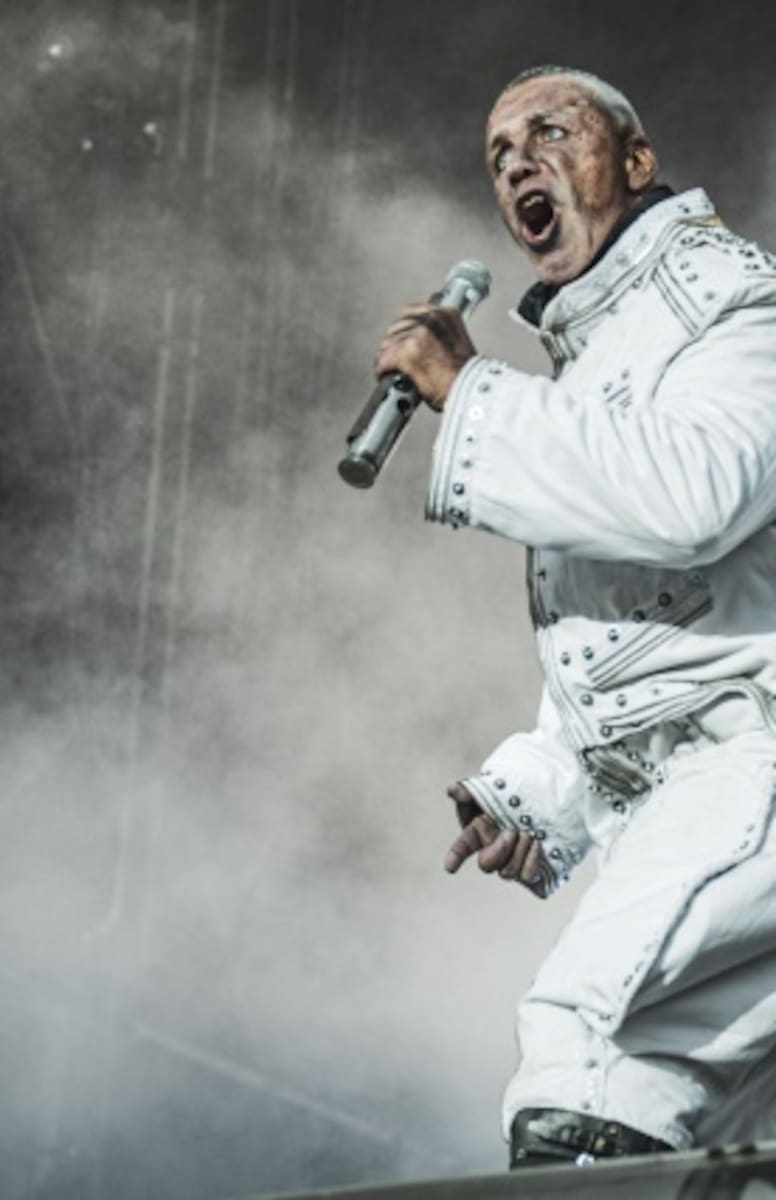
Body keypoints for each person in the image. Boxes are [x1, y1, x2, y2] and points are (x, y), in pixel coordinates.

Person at [375, 65, 776, 1168]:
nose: (519, 162)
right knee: (709, 1130)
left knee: (594, 1047)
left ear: (637, 162)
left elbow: (696, 497)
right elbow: (659, 632)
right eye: (500, 154)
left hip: (756, 768)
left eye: (551, 132)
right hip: (722, 779)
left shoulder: (727, 296)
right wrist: (541, 790)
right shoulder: (607, 353)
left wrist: (475, 394)